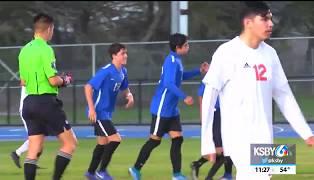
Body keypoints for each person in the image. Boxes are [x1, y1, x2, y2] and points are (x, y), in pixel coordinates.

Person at [201, 2, 314, 180]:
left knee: (268, 175)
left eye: (270, 18)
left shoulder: (270, 54)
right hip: (239, 138)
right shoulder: (226, 53)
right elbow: (209, 98)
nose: (270, 24)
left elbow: (283, 94)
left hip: (265, 136)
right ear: (248, 22)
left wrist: (304, 131)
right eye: (264, 19)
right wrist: (207, 143)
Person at [128, 33, 209, 180]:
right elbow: (169, 84)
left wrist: (199, 71)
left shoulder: (177, 60)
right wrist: (184, 97)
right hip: (162, 108)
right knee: (154, 141)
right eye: (186, 45)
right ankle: (135, 169)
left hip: (172, 110)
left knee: (178, 139)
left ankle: (177, 174)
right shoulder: (171, 61)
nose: (188, 47)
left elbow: (181, 76)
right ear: (178, 47)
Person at [18, 13, 78, 180]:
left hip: (28, 102)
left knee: (34, 148)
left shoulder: (24, 51)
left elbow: (22, 81)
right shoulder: (46, 49)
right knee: (70, 143)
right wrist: (65, 80)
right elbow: (52, 80)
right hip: (45, 102)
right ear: (49, 29)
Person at [84, 43, 134, 180]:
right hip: (98, 112)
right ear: (114, 56)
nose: (125, 56)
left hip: (106, 112)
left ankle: (90, 172)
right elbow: (88, 87)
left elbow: (125, 87)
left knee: (102, 143)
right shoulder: (106, 71)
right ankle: (102, 171)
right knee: (116, 139)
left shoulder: (123, 71)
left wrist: (129, 95)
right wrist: (92, 109)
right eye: (122, 53)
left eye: (126, 53)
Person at [190, 82, 233, 180]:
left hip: (226, 113)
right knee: (222, 151)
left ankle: (198, 165)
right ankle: (209, 177)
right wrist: (203, 119)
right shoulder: (210, 79)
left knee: (228, 146)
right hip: (216, 114)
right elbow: (201, 98)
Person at [10, 86, 43, 169]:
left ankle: (31, 162)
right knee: (36, 138)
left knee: (40, 137)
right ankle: (18, 153)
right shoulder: (30, 75)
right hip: (28, 110)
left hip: (34, 109)